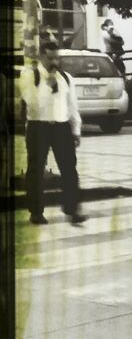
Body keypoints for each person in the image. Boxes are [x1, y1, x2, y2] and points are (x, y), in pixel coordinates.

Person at [18, 39, 87, 225]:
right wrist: (47, 85)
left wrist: (76, 130)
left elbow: (72, 106)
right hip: (38, 126)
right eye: (50, 58)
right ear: (41, 56)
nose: (54, 62)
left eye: (57, 58)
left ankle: (72, 210)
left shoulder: (66, 78)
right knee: (35, 170)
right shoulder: (29, 76)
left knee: (69, 169)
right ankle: (36, 212)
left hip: (61, 127)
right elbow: (32, 104)